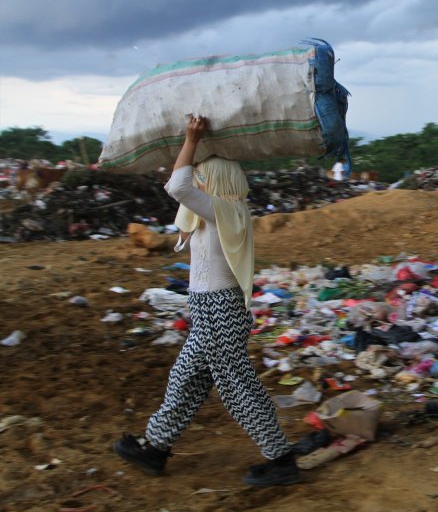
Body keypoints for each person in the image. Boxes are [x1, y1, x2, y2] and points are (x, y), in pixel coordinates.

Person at [113, 116, 299, 488]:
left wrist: (191, 139)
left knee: (236, 386)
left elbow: (178, 185)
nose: (197, 180)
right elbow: (184, 204)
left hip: (220, 309)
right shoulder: (212, 214)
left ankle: (281, 458)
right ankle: (156, 447)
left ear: (216, 182)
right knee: (187, 378)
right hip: (208, 310)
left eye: (204, 176)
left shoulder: (226, 211)